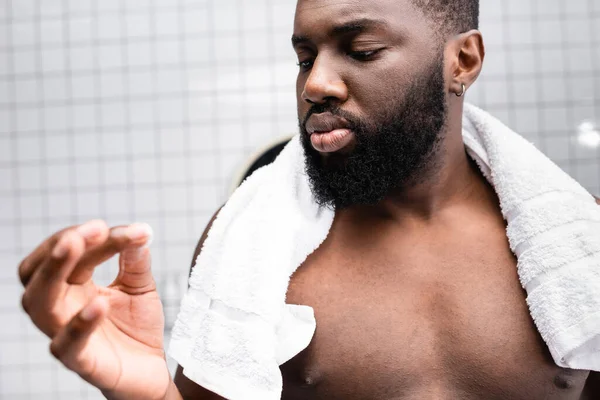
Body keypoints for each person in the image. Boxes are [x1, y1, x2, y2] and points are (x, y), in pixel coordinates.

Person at [17, 0, 600, 399]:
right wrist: (145, 394)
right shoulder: (255, 251)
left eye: (362, 49)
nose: (315, 83)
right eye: (304, 58)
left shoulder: (577, 249)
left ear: (462, 61)